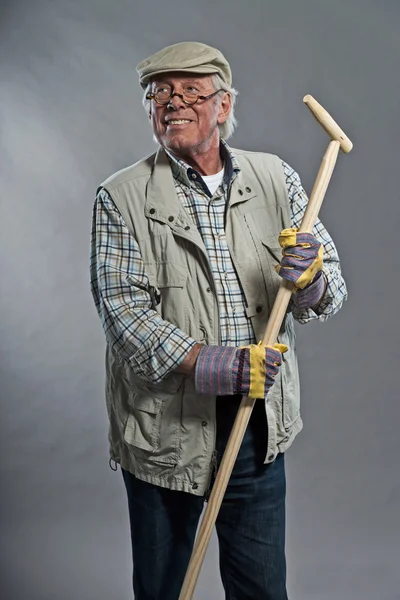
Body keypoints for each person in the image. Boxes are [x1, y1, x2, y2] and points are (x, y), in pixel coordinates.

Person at [90, 41, 347, 600]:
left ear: (224, 106)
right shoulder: (121, 197)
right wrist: (221, 366)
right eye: (160, 92)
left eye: (189, 91)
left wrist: (310, 280)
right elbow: (124, 315)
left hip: (255, 423)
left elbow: (330, 296)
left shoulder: (276, 178)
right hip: (166, 433)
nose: (172, 101)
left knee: (260, 589)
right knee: (163, 587)